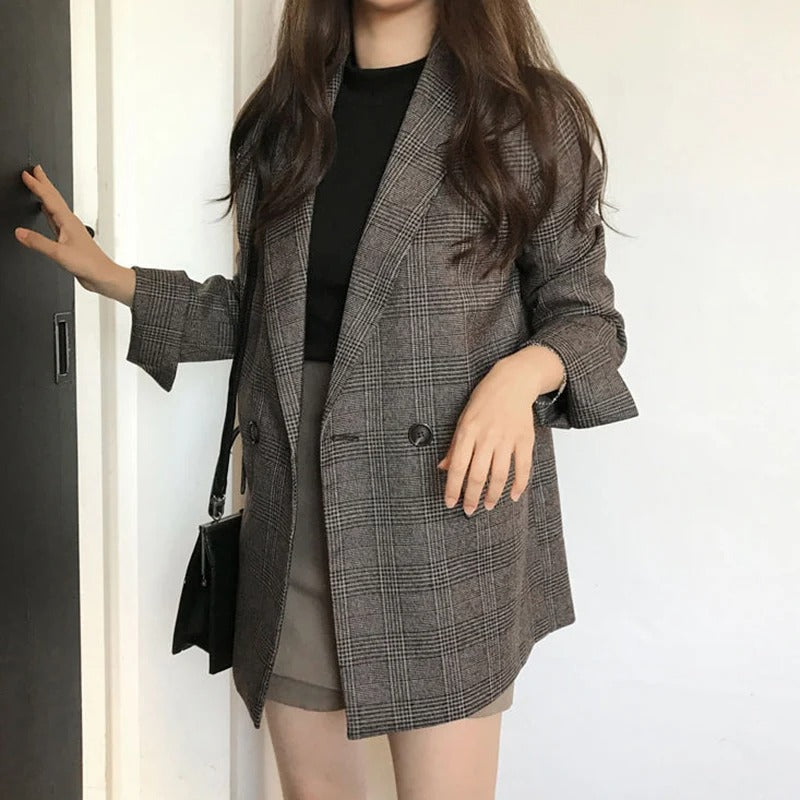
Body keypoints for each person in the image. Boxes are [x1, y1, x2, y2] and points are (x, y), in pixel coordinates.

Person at [14, 1, 638, 797]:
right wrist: (117, 280)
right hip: (295, 518)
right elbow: (265, 320)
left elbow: (586, 318)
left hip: (442, 517)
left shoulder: (522, 116)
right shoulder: (284, 121)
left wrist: (519, 378)